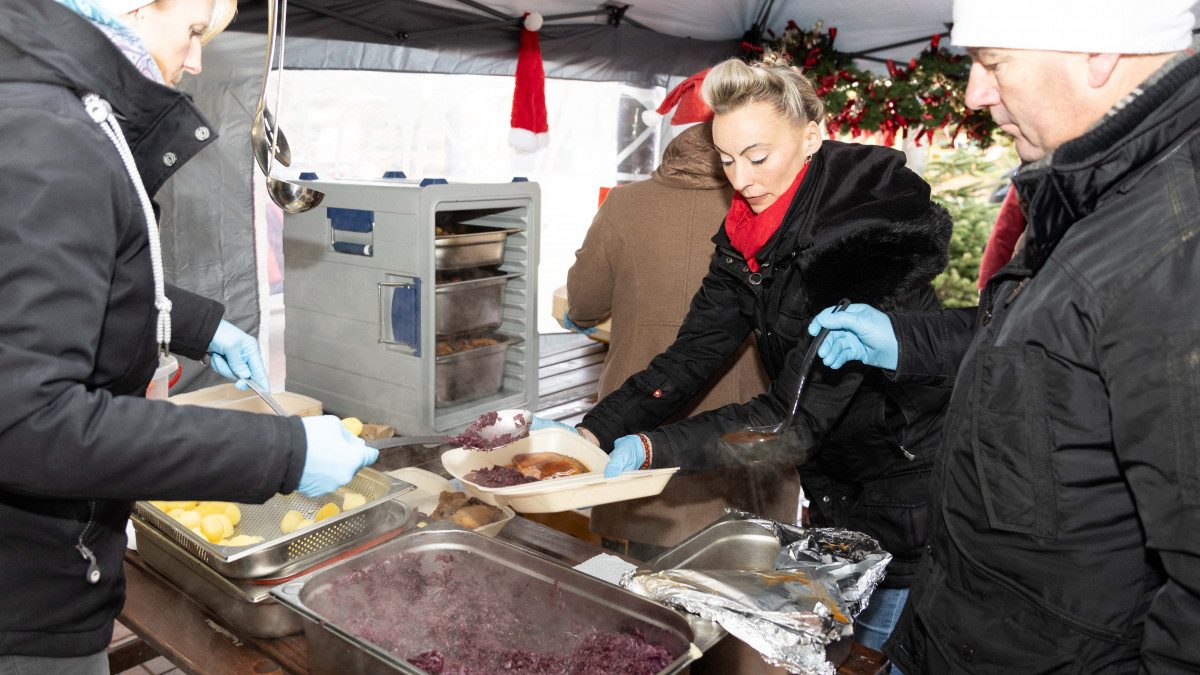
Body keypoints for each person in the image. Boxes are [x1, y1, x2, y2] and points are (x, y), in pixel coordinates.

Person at [808, 1, 1200, 670]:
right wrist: (903, 339)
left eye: (993, 62)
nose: (974, 93)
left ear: (1100, 50)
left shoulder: (1176, 244)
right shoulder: (1097, 187)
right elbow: (1048, 345)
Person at [0, 0, 375, 671]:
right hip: (24, 598)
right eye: (196, 31)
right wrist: (283, 451)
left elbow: (56, 286)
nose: (198, 60)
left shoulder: (51, 110)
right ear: (133, 6)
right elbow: (29, 424)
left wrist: (198, 326)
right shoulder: (51, 132)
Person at [536, 56, 955, 649]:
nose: (741, 179)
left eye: (758, 157)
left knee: (874, 651)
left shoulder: (861, 245)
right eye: (727, 159)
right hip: (836, 477)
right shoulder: (747, 234)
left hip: (907, 478)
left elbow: (792, 419)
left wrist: (654, 446)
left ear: (811, 136)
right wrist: (595, 429)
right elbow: (691, 355)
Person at [565, 118, 801, 561]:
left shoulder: (625, 204)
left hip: (637, 422)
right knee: (747, 581)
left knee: (636, 588)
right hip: (748, 434)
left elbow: (584, 303)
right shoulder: (775, 208)